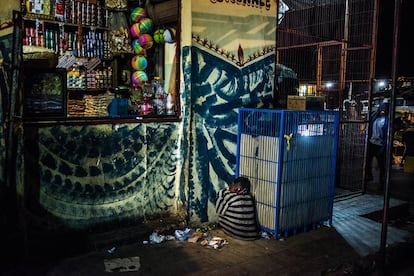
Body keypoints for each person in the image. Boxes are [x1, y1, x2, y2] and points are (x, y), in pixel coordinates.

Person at [365, 99, 389, 189]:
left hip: (380, 145)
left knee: (381, 164)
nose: (383, 110)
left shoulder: (386, 120)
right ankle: (368, 176)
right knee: (367, 161)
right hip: (372, 143)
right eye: (382, 108)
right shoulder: (375, 118)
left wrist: (383, 148)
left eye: (385, 108)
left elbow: (386, 136)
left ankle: (382, 182)